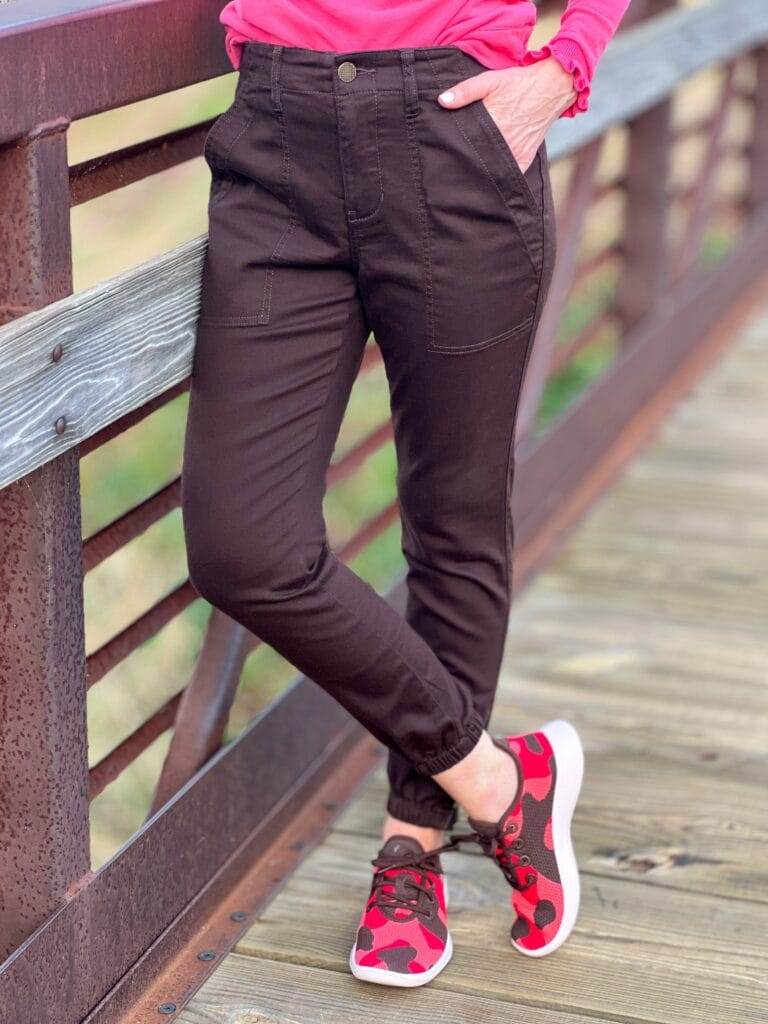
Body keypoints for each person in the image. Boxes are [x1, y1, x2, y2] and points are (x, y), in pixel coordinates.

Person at [181, 0, 630, 988]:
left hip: (455, 124)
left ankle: (411, 849)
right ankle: (503, 782)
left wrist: (567, 65)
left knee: (455, 518)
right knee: (239, 544)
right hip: (276, 136)